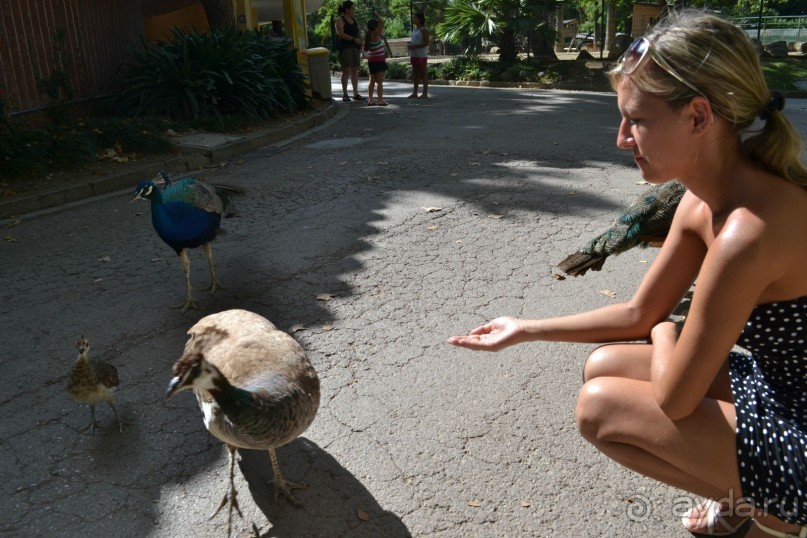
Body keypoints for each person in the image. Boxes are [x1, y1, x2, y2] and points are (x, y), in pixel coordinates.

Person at [448, 10, 807, 538]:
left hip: (799, 422)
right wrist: (526, 328)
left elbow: (675, 396)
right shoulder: (701, 198)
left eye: (637, 120)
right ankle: (759, 501)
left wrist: (667, 330)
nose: (621, 138)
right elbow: (640, 312)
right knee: (606, 363)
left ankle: (774, 516)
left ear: (699, 117)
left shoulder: (747, 230)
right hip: (783, 387)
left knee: (600, 409)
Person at [335, 1, 365, 102]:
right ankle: (345, 94)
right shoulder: (340, 20)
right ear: (347, 9)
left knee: (355, 71)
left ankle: (356, 94)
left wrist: (361, 42)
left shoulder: (354, 20)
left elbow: (358, 32)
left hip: (355, 48)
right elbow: (341, 34)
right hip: (345, 48)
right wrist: (353, 39)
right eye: (352, 8)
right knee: (346, 71)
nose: (354, 10)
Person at [364, 13, 388, 106]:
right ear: (376, 27)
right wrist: (377, 15)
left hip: (371, 61)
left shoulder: (368, 35)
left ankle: (371, 100)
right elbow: (382, 22)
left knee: (372, 80)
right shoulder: (376, 33)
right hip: (379, 61)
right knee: (380, 82)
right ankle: (380, 100)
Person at [407, 12, 429, 99]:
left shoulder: (423, 30)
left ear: (419, 19)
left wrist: (415, 46)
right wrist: (411, 44)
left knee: (423, 73)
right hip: (414, 54)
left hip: (421, 55)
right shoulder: (415, 30)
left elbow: (426, 42)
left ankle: (425, 93)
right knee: (415, 73)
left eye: (415, 17)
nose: (413, 19)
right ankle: (415, 93)